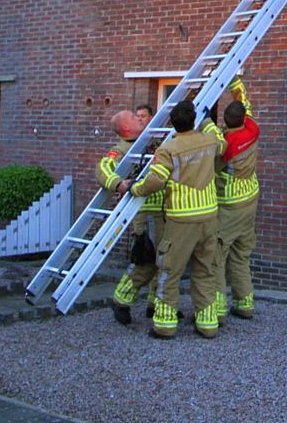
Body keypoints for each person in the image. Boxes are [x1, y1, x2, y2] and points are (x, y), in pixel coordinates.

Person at [125, 100, 225, 339]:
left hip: (181, 221)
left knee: (169, 271)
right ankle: (208, 324)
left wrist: (134, 189)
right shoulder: (209, 140)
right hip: (209, 218)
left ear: (171, 123)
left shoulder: (168, 149)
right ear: (193, 121)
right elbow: (222, 143)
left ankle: (165, 325)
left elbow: (156, 181)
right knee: (205, 271)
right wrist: (207, 118)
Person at [96, 110, 167, 326]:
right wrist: (118, 184)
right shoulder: (121, 150)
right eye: (134, 118)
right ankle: (121, 300)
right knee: (147, 262)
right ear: (126, 128)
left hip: (164, 211)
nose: (140, 118)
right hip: (145, 215)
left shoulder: (151, 142)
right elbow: (102, 169)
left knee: (164, 261)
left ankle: (155, 304)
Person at [214, 76, 261, 321]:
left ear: (225, 121)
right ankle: (245, 304)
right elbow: (244, 100)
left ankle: (219, 311)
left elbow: (210, 169)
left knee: (217, 257)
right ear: (244, 119)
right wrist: (233, 79)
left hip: (230, 204)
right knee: (241, 255)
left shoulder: (227, 144)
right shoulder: (253, 129)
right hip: (250, 198)